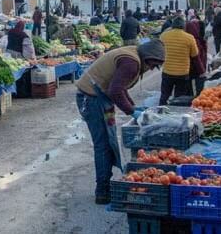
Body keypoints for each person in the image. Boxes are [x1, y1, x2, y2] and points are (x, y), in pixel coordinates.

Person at [77, 40, 166, 204]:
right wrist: (132, 112)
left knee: (109, 142)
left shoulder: (134, 55)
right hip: (92, 99)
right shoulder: (131, 63)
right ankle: (102, 192)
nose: (152, 69)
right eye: (153, 65)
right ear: (147, 58)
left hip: (101, 98)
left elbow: (120, 86)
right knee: (103, 145)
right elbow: (115, 90)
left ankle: (106, 187)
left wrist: (132, 106)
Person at [159, 16, 199, 105]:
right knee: (179, 97)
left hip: (167, 71)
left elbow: (159, 52)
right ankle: (176, 113)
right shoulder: (189, 37)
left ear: (172, 25)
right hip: (183, 73)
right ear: (184, 26)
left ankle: (160, 112)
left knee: (164, 95)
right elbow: (194, 54)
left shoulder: (163, 36)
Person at [185, 17, 208, 95]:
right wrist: (202, 70)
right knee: (199, 88)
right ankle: (197, 99)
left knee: (188, 88)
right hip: (196, 67)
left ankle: (193, 99)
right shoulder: (195, 40)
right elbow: (197, 57)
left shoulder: (190, 38)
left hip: (189, 68)